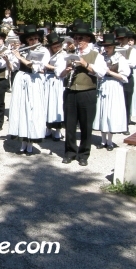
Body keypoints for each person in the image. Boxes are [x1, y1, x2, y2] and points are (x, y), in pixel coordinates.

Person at [57, 22, 107, 166]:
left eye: (80, 38)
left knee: (86, 125)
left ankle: (84, 154)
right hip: (71, 92)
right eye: (76, 38)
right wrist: (65, 70)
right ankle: (70, 152)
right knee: (70, 125)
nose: (77, 41)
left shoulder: (96, 55)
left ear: (88, 40)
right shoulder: (68, 54)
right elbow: (59, 73)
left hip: (87, 92)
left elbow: (101, 73)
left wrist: (85, 64)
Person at [9, 25, 49, 155]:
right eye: (31, 39)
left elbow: (35, 67)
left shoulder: (43, 51)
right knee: (21, 110)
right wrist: (7, 58)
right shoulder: (22, 49)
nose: (34, 41)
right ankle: (23, 142)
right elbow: (14, 67)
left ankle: (31, 142)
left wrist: (20, 57)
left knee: (32, 110)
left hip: (34, 81)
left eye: (36, 38)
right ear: (26, 40)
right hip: (21, 79)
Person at [93, 34, 130, 151]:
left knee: (111, 112)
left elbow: (124, 77)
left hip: (114, 86)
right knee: (103, 111)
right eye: (105, 46)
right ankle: (103, 140)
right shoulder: (101, 57)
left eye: (108, 46)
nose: (106, 48)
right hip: (103, 85)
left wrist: (109, 72)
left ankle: (110, 141)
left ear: (113, 46)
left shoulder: (120, 58)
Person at [44, 32, 66, 141]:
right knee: (47, 104)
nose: (56, 48)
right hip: (47, 80)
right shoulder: (48, 54)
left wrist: (48, 66)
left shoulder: (62, 55)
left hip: (57, 81)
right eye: (54, 46)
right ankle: (48, 129)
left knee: (57, 104)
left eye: (58, 46)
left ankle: (58, 131)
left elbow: (59, 70)